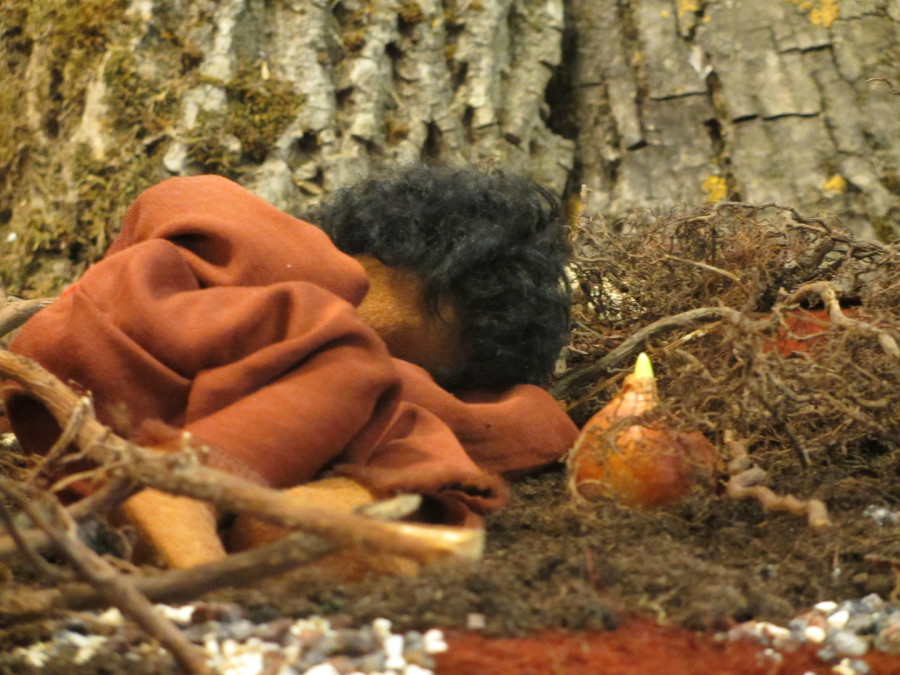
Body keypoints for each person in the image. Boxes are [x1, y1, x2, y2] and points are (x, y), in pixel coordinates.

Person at [3, 165, 578, 569]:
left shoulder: (379, 389)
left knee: (392, 422)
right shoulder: (252, 259)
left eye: (409, 362)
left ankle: (249, 527)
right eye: (360, 297)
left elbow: (500, 429)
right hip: (90, 377)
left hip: (82, 457)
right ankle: (179, 493)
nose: (380, 357)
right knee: (351, 359)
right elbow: (187, 202)